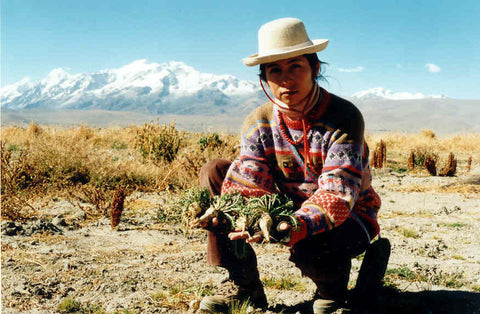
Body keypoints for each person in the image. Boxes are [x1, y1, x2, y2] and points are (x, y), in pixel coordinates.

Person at [197, 17, 383, 314]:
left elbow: (338, 194)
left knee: (312, 236)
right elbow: (250, 180)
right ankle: (244, 287)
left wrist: (294, 224)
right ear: (264, 78)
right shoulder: (257, 122)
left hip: (349, 216)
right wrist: (240, 216)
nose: (286, 80)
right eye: (275, 70)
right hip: (287, 209)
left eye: (295, 66)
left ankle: (331, 292)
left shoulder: (344, 117)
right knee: (215, 173)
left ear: (315, 68)